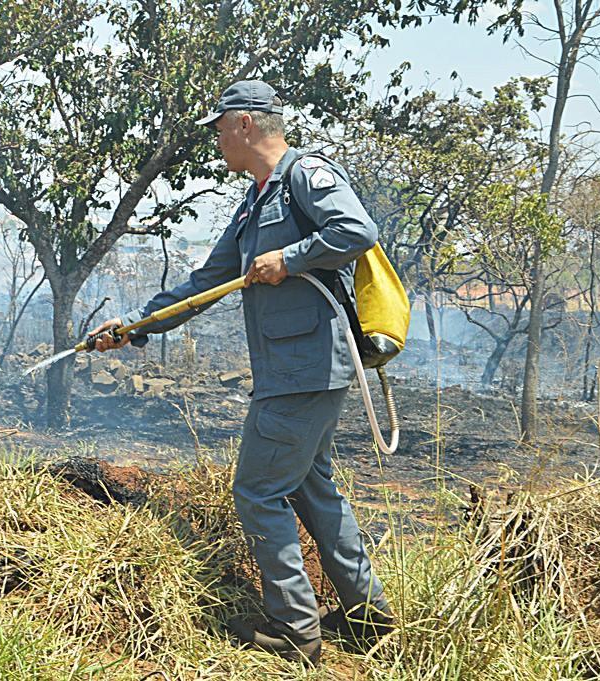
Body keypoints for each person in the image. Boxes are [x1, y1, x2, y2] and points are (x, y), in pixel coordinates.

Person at [88, 80, 394, 666]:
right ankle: (366, 615)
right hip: (297, 371)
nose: (218, 140)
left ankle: (293, 629)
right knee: (310, 487)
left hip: (305, 371)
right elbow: (205, 283)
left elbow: (357, 231)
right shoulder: (254, 203)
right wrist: (135, 324)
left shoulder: (306, 176)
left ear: (245, 125)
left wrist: (291, 258)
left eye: (220, 128)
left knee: (256, 491)